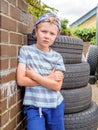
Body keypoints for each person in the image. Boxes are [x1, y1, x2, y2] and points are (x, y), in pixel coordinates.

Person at [17, 13, 66, 130]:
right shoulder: (26, 51)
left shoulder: (57, 57)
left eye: (52, 33)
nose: (47, 36)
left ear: (56, 36)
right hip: (34, 107)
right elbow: (21, 81)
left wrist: (34, 75)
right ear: (36, 31)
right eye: (44, 31)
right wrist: (49, 77)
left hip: (55, 105)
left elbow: (57, 86)